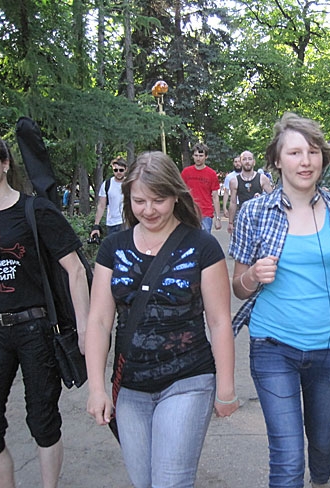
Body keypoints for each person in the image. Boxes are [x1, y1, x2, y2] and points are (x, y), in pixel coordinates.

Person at [229, 112, 330, 488]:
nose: (305, 161)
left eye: (313, 152)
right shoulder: (254, 212)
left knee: (322, 443)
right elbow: (238, 287)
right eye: (294, 153)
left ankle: (321, 480)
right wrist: (252, 275)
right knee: (288, 458)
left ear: (323, 158)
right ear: (277, 161)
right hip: (273, 347)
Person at [85, 150, 238, 488]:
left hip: (188, 378)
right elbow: (98, 321)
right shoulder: (112, 248)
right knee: (144, 482)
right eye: (139, 201)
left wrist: (226, 387)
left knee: (170, 482)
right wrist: (97, 388)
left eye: (159, 200)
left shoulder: (203, 246)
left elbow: (218, 321)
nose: (149, 210)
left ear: (175, 196)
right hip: (130, 385)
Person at [0, 127, 90, 488]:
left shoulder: (36, 210)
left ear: (5, 163)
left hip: (37, 329)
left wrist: (85, 329)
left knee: (42, 420)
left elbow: (75, 270)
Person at [226, 150, 273, 234]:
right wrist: (230, 222)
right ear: (240, 162)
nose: (247, 162)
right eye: (244, 159)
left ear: (254, 162)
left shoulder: (262, 178)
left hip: (259, 217)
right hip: (242, 216)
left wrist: (262, 198)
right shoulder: (234, 181)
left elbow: (272, 199)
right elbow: (233, 202)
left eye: (250, 159)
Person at [180, 142, 222, 233]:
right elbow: (181, 192)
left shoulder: (211, 174)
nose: (198, 158)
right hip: (190, 212)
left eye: (201, 155)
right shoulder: (186, 172)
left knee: (203, 239)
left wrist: (218, 218)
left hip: (206, 214)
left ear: (206, 157)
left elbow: (215, 196)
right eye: (196, 155)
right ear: (193, 156)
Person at [90, 156, 127, 240]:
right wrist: (96, 225)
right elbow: (101, 205)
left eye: (121, 170)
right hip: (112, 224)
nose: (118, 172)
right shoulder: (107, 184)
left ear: (126, 170)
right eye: (115, 170)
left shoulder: (130, 184)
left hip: (127, 223)